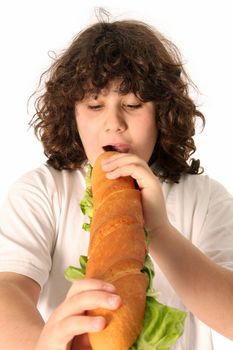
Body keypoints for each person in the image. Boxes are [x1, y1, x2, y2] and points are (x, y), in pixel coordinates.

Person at [0, 15, 233, 350]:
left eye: (133, 105)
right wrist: (42, 343)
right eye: (95, 105)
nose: (114, 123)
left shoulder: (205, 197)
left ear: (163, 113)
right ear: (73, 114)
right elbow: (9, 287)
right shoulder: (42, 191)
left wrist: (160, 231)